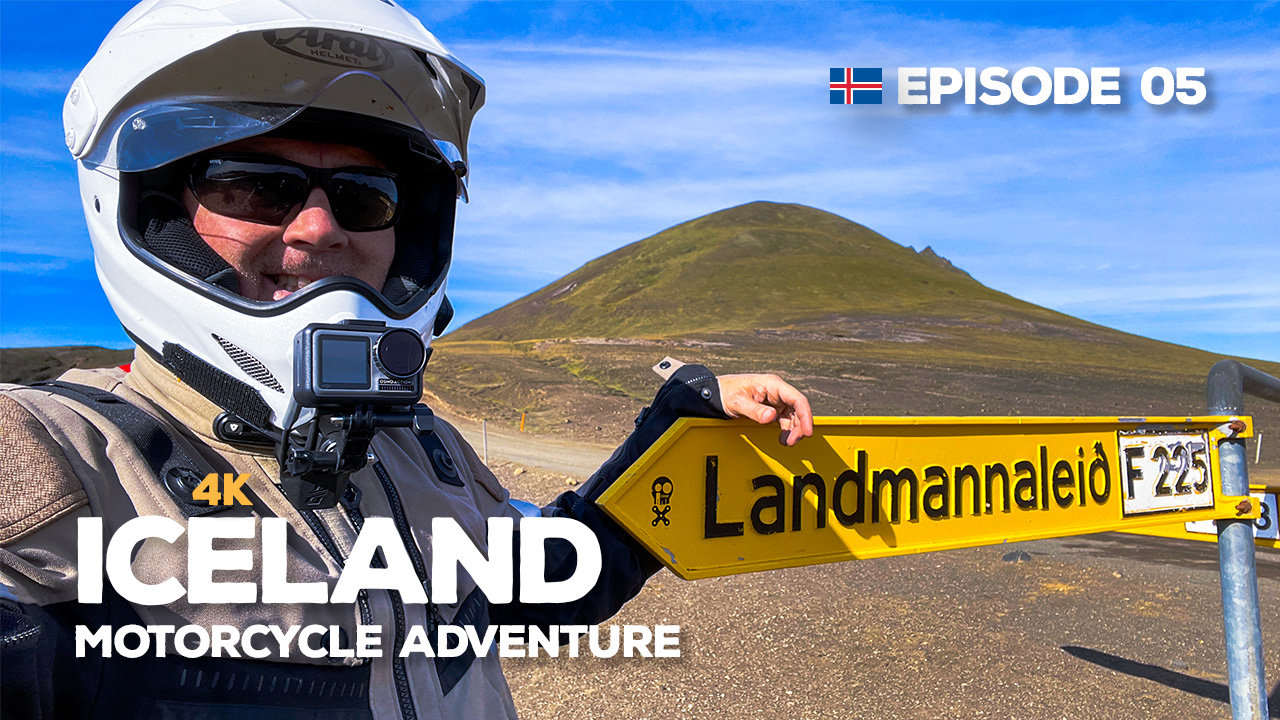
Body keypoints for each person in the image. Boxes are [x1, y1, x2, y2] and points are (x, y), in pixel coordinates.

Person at [0, 1, 813, 718]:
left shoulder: (422, 446)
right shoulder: (51, 453)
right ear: (151, 210)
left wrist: (672, 429)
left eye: (366, 198)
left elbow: (553, 582)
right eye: (254, 186)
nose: (320, 230)